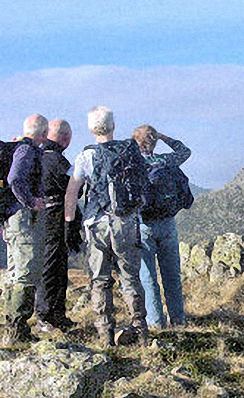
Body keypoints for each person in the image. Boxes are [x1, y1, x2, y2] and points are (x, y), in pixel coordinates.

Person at [64, 106, 148, 347]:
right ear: (113, 126)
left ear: (91, 129)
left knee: (100, 280)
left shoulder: (85, 156)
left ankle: (105, 336)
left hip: (96, 224)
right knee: (130, 277)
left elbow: (72, 194)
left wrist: (70, 225)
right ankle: (140, 331)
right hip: (126, 221)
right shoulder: (129, 152)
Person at [132, 125, 191, 328]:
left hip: (143, 223)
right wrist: (164, 137)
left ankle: (156, 322)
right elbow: (185, 151)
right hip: (167, 223)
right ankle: (178, 320)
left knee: (148, 277)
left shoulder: (132, 163)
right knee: (172, 275)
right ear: (154, 141)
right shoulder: (166, 161)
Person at [1, 114, 47, 345]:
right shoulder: (27, 151)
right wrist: (31, 202)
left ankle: (12, 328)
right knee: (26, 272)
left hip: (11, 218)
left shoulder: (19, 148)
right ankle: (17, 332)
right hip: (22, 219)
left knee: (15, 271)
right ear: (44, 134)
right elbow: (15, 178)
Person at [36, 119, 82, 332]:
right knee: (54, 264)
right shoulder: (56, 160)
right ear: (65, 137)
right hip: (55, 216)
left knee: (50, 263)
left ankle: (52, 314)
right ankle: (48, 314)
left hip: (40, 216)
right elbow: (75, 188)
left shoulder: (38, 156)